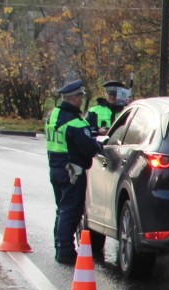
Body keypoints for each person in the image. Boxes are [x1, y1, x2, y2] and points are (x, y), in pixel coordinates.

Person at [45, 79, 103, 264]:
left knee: (62, 209)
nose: (81, 99)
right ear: (75, 98)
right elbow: (89, 147)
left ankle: (59, 246)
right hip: (72, 171)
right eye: (80, 96)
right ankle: (66, 251)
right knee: (71, 210)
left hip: (56, 169)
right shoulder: (75, 122)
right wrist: (100, 145)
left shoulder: (53, 115)